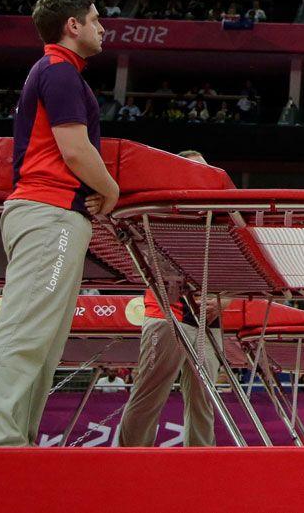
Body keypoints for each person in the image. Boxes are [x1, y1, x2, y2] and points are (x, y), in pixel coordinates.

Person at [0, 0, 117, 446]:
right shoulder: (59, 72)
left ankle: (14, 443)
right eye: (94, 20)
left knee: (45, 342)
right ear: (72, 26)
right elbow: (74, 149)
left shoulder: (61, 73)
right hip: (47, 213)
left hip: (52, 213)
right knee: (27, 331)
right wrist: (109, 188)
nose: (102, 28)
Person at [118, 149, 221, 448]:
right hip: (166, 314)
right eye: (194, 170)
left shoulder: (221, 217)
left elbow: (231, 274)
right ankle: (128, 462)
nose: (203, 177)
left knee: (204, 402)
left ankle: (200, 464)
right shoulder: (157, 210)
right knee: (149, 395)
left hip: (206, 321)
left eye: (207, 171)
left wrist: (222, 302)